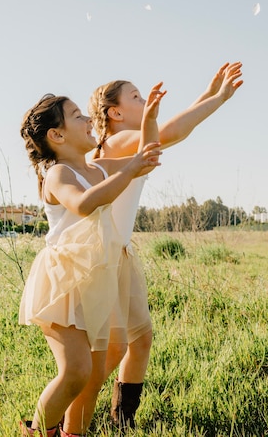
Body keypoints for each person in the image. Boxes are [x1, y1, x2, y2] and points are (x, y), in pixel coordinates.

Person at [86, 61, 243, 430]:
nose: (144, 101)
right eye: (136, 96)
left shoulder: (124, 140)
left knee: (140, 339)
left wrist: (208, 92)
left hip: (121, 253)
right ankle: (65, 416)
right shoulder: (119, 141)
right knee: (112, 351)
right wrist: (219, 99)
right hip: (103, 258)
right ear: (116, 113)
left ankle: (121, 421)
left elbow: (171, 124)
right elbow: (172, 131)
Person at [18, 86, 165, 437]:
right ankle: (39, 431)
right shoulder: (58, 174)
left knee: (94, 376)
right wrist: (127, 171)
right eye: (77, 117)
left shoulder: (97, 168)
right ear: (57, 135)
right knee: (76, 370)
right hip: (63, 281)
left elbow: (147, 155)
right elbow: (83, 204)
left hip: (97, 278)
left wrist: (150, 120)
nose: (88, 120)